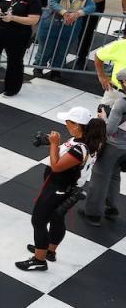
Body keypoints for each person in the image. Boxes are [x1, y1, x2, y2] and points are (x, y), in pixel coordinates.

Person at [18, 107, 106, 271]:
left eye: (68, 122)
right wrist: (52, 145)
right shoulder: (89, 140)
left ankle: (39, 260)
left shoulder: (80, 149)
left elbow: (57, 166)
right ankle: (48, 251)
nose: (65, 124)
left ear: (77, 126)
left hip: (58, 188)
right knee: (57, 218)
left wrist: (53, 144)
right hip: (68, 187)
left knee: (38, 220)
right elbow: (66, 156)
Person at [81, 76, 126, 226]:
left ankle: (93, 213)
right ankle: (111, 208)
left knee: (99, 178)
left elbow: (110, 130)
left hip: (113, 146)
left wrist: (104, 118)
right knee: (114, 176)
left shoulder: (121, 103)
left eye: (121, 82)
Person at [33, 0, 95, 79]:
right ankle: (38, 67)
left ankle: (56, 70)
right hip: (50, 24)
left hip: (70, 27)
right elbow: (52, 2)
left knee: (63, 49)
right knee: (46, 47)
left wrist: (78, 13)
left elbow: (91, 7)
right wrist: (64, 12)